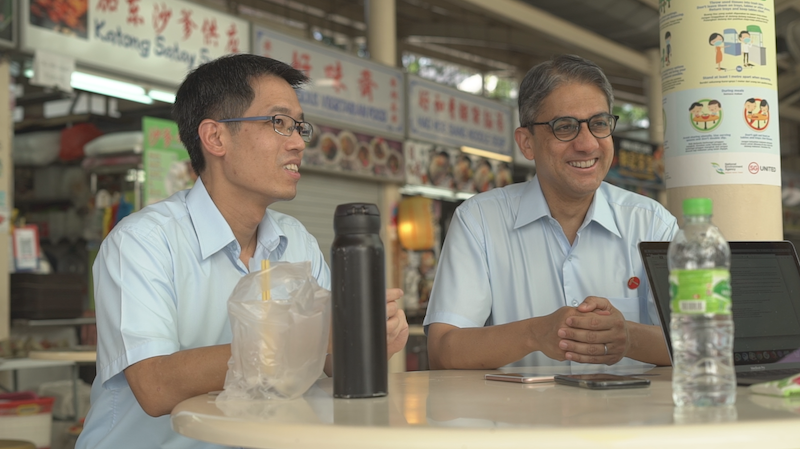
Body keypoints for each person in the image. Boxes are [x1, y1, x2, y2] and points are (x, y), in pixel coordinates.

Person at [77, 54, 409, 449]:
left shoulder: (296, 241)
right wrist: (315, 337)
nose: (298, 142)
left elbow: (327, 364)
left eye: (299, 126)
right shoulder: (142, 242)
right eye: (279, 123)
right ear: (216, 138)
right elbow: (155, 385)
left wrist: (366, 340)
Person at [424, 54, 678, 370]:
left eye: (598, 123)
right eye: (565, 127)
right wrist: (535, 333)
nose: (587, 144)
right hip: (518, 418)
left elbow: (700, 343)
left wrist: (628, 337)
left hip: (629, 418)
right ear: (526, 143)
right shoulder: (479, 221)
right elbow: (443, 350)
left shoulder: (652, 223)